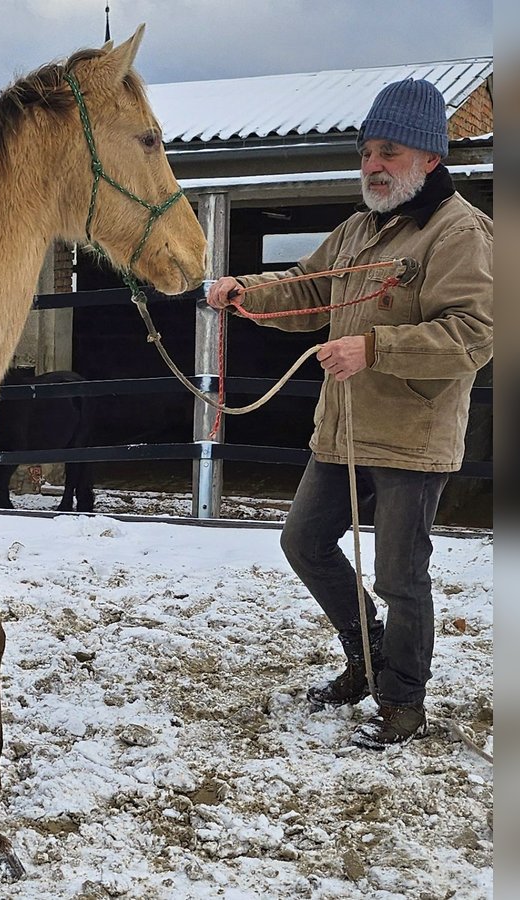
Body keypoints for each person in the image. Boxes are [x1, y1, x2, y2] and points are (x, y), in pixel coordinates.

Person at [205, 78, 493, 749]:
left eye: (387, 151)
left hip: (411, 435)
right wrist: (247, 291)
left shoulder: (461, 233)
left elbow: (476, 334)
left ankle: (402, 702)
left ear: (429, 157)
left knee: (399, 575)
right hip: (343, 429)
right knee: (304, 542)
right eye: (366, 151)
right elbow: (307, 288)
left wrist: (373, 347)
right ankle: (366, 658)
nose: (371, 165)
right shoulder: (360, 229)